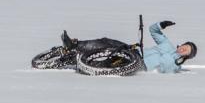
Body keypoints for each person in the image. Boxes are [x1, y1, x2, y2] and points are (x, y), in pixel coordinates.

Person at [61, 19, 197, 73]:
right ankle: (75, 45)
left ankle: (93, 66)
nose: (183, 49)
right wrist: (161, 25)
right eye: (185, 46)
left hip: (139, 64)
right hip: (136, 51)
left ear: (186, 56)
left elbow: (165, 71)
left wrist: (176, 62)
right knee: (107, 41)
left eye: (186, 51)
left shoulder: (175, 66)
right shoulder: (167, 44)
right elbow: (152, 30)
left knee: (112, 57)